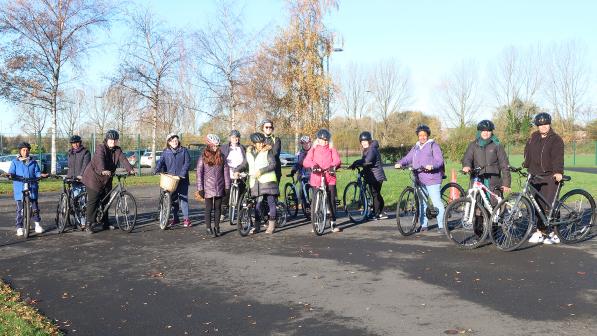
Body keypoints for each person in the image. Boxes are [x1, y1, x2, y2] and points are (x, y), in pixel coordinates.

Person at [395, 124, 446, 232]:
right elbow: (407, 158)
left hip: (432, 178)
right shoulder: (416, 147)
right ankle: (424, 225)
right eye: (420, 135)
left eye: (424, 135)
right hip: (419, 178)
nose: (422, 137)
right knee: (422, 203)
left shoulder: (433, 145)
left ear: (428, 135)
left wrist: (432, 166)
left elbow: (439, 160)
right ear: (418, 136)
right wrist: (399, 163)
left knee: (436, 202)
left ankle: (442, 225)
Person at [523, 112, 565, 245]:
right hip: (535, 175)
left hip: (550, 176)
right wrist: (525, 165)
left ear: (549, 124)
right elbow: (528, 152)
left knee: (549, 205)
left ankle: (554, 233)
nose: (543, 127)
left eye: (546, 124)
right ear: (537, 126)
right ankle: (540, 231)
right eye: (540, 125)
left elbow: (558, 157)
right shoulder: (533, 137)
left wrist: (558, 172)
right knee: (537, 205)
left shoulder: (555, 139)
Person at [81, 130, 134, 233]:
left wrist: (130, 169)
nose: (113, 142)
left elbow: (123, 159)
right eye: (111, 140)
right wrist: (102, 170)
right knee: (94, 200)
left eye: (115, 140)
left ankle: (105, 223)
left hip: (107, 178)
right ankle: (89, 224)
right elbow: (99, 159)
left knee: (106, 200)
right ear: (107, 140)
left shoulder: (117, 150)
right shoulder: (101, 148)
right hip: (94, 178)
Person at [237, 132, 279, 234]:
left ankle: (272, 225)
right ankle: (257, 226)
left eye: (262, 142)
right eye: (258, 143)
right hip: (255, 183)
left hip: (268, 181)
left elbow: (273, 164)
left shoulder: (267, 152)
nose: (260, 144)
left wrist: (261, 171)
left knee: (271, 202)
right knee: (257, 205)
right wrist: (237, 170)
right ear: (254, 143)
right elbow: (244, 164)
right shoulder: (249, 153)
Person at [302, 129, 342, 232]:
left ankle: (333, 222)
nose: (324, 142)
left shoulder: (332, 149)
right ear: (318, 139)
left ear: (328, 140)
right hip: (317, 177)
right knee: (316, 201)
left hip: (329, 176)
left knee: (331, 200)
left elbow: (337, 160)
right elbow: (307, 161)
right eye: (321, 139)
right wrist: (313, 165)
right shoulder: (313, 149)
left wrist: (333, 166)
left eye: (326, 140)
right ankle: (315, 222)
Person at [8, 142, 48, 236]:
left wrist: (41, 175)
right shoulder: (15, 162)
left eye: (27, 150)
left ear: (29, 151)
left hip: (32, 186)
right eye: (23, 150)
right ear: (20, 151)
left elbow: (37, 172)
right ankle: (19, 227)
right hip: (19, 187)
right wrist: (10, 175)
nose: (25, 152)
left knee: (35, 207)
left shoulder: (33, 162)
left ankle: (37, 224)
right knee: (20, 208)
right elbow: (12, 172)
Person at [195, 134, 230, 237]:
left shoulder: (222, 156)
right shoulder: (203, 157)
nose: (215, 147)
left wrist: (227, 186)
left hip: (220, 185)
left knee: (218, 208)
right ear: (209, 145)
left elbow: (226, 172)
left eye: (217, 145)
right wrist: (200, 188)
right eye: (214, 145)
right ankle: (208, 228)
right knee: (208, 208)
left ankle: (217, 227)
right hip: (207, 187)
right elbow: (199, 174)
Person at [155, 133, 192, 227]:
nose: (175, 142)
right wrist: (157, 169)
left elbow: (187, 163)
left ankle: (186, 219)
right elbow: (160, 162)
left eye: (176, 140)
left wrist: (182, 174)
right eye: (172, 141)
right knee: (173, 200)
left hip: (182, 179)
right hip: (171, 181)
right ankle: (175, 218)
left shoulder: (184, 150)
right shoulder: (166, 152)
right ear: (169, 142)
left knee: (183, 199)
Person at [349, 131, 388, 220]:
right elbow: (367, 164)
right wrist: (360, 167)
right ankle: (379, 211)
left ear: (369, 141)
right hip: (370, 175)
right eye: (362, 142)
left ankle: (377, 213)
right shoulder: (366, 150)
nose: (364, 143)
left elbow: (367, 161)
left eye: (365, 141)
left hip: (376, 176)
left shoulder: (372, 149)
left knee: (375, 194)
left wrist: (356, 162)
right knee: (375, 193)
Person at [220, 130, 246, 222]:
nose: (235, 139)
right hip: (228, 172)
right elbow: (221, 159)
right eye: (233, 137)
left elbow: (245, 161)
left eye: (236, 137)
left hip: (239, 173)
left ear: (239, 138)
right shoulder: (224, 147)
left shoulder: (242, 148)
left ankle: (240, 214)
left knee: (240, 194)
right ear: (230, 138)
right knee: (226, 193)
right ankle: (223, 213)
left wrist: (239, 169)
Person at [66, 135, 91, 227]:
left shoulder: (85, 152)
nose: (75, 145)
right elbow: (70, 167)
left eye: (76, 142)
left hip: (82, 180)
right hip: (73, 180)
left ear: (80, 143)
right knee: (75, 200)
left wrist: (81, 175)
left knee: (82, 201)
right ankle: (78, 220)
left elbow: (86, 165)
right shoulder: (70, 153)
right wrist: (68, 176)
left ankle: (83, 222)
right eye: (73, 143)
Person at [290, 135, 313, 207]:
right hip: (303, 174)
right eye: (304, 143)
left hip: (313, 174)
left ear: (310, 143)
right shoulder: (299, 153)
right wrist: (294, 169)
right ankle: (305, 206)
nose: (306, 145)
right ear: (301, 144)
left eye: (308, 143)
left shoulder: (314, 152)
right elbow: (297, 163)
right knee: (303, 190)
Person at [260, 119, 282, 184]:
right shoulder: (259, 140)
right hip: (262, 170)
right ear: (263, 128)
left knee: (274, 193)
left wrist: (263, 150)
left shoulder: (276, 140)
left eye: (270, 127)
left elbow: (275, 153)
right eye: (266, 127)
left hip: (275, 170)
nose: (269, 129)